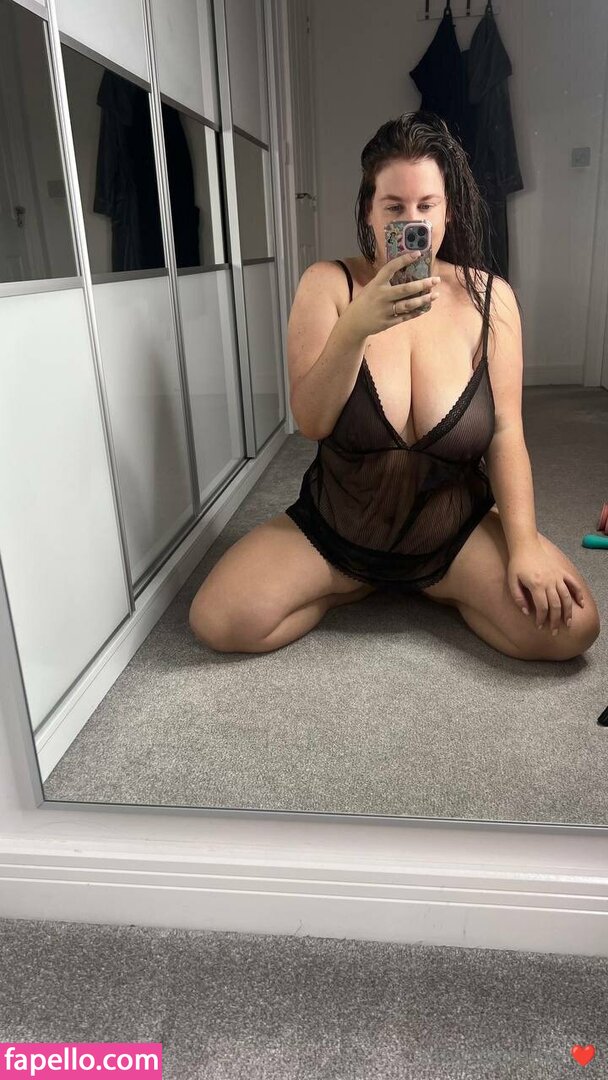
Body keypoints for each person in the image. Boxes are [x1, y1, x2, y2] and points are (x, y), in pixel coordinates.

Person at [189, 112, 600, 660]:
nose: (413, 222)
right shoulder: (327, 284)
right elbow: (310, 421)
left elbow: (506, 433)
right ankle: (358, 582)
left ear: (449, 210)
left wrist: (523, 544)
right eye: (394, 207)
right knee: (218, 621)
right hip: (339, 529)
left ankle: (437, 584)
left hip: (453, 535)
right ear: (369, 210)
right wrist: (355, 326)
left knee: (574, 627)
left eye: (427, 206)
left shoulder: (490, 298)